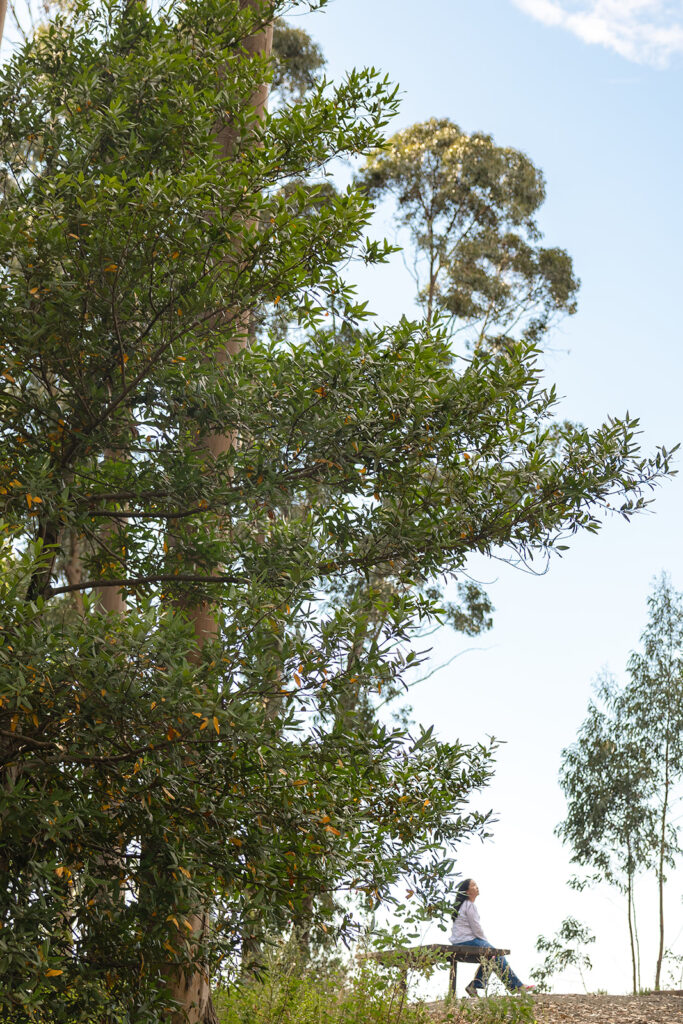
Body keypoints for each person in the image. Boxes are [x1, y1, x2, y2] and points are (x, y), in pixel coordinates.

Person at [450, 878, 535, 998]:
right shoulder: (469, 906)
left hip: (460, 941)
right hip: (466, 941)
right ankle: (517, 986)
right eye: (473, 886)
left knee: (492, 957)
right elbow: (476, 929)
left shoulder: (464, 906)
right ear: (467, 892)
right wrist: (485, 942)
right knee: (495, 954)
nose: (477, 887)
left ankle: (474, 985)